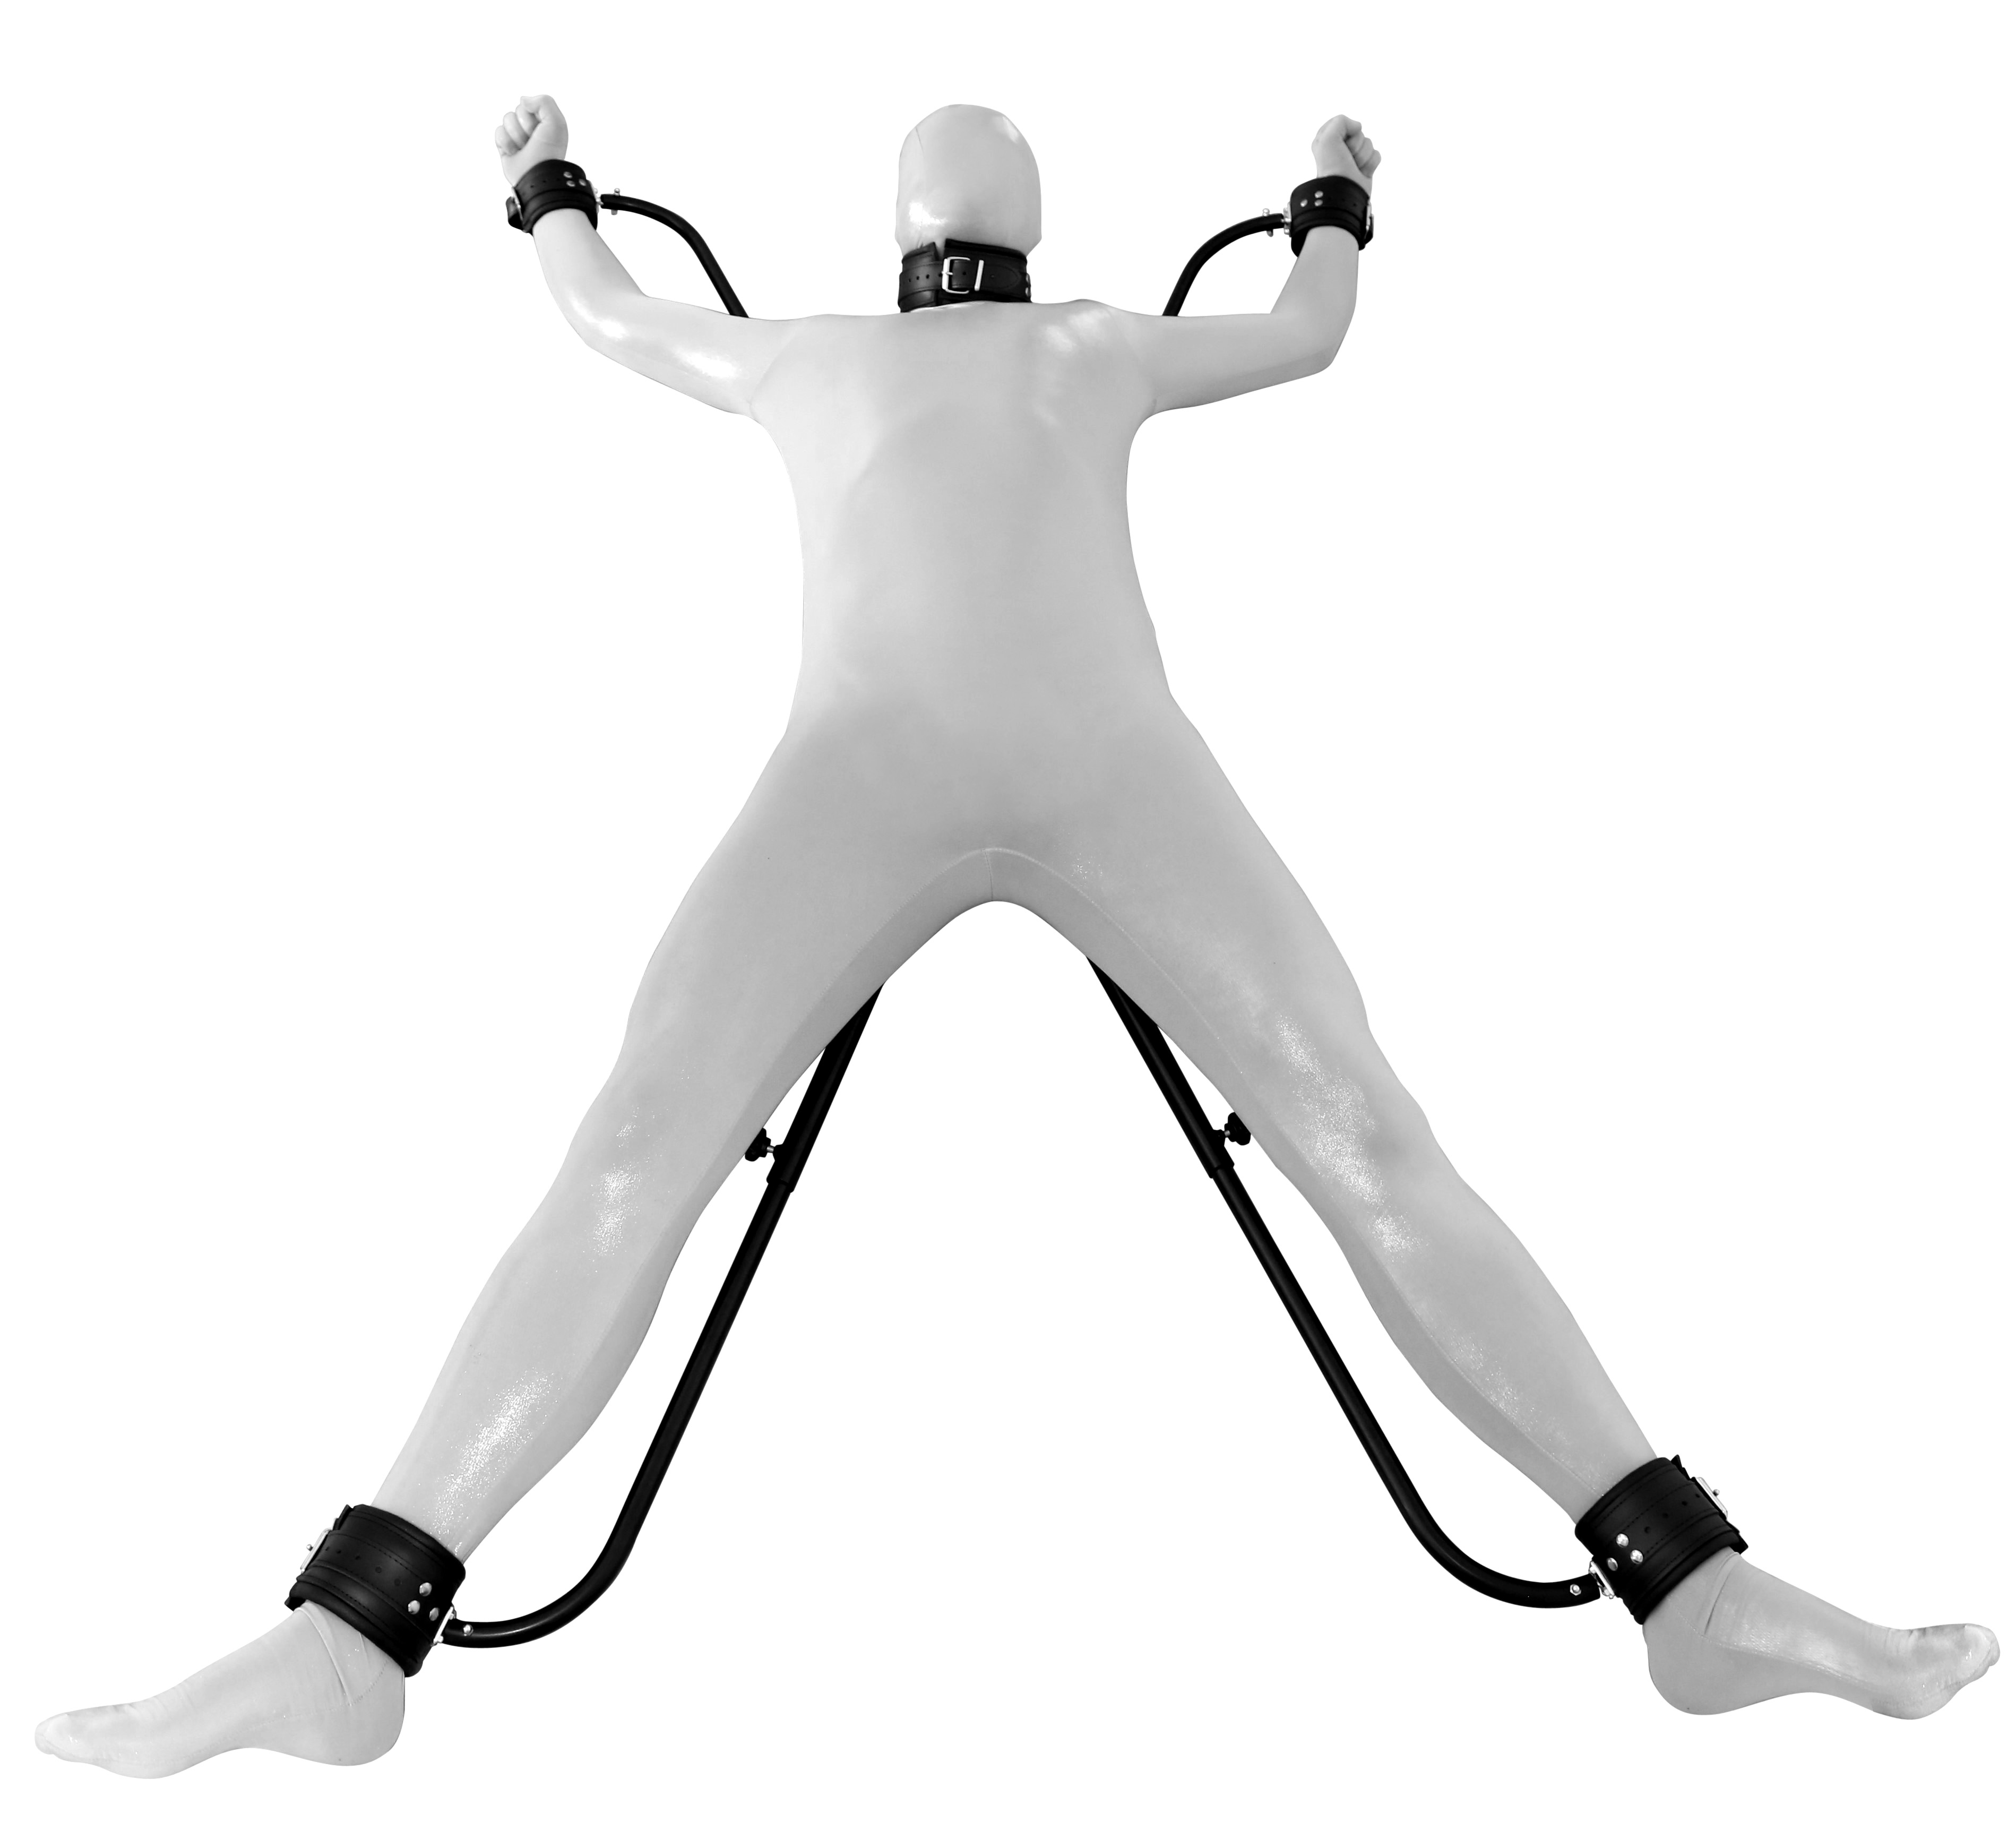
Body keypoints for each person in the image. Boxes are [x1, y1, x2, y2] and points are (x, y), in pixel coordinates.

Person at [35, 97, 1996, 1779]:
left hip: (1082, 772)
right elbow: (1302, 324)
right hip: (896, 772)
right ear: (1008, 216)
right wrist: (1331, 201)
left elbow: (606, 308)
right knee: (648, 1140)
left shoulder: (1000, 344)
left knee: (1352, 1132)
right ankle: (353, 1636)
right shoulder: (954, 345)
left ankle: (1692, 1590)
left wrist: (550, 193)